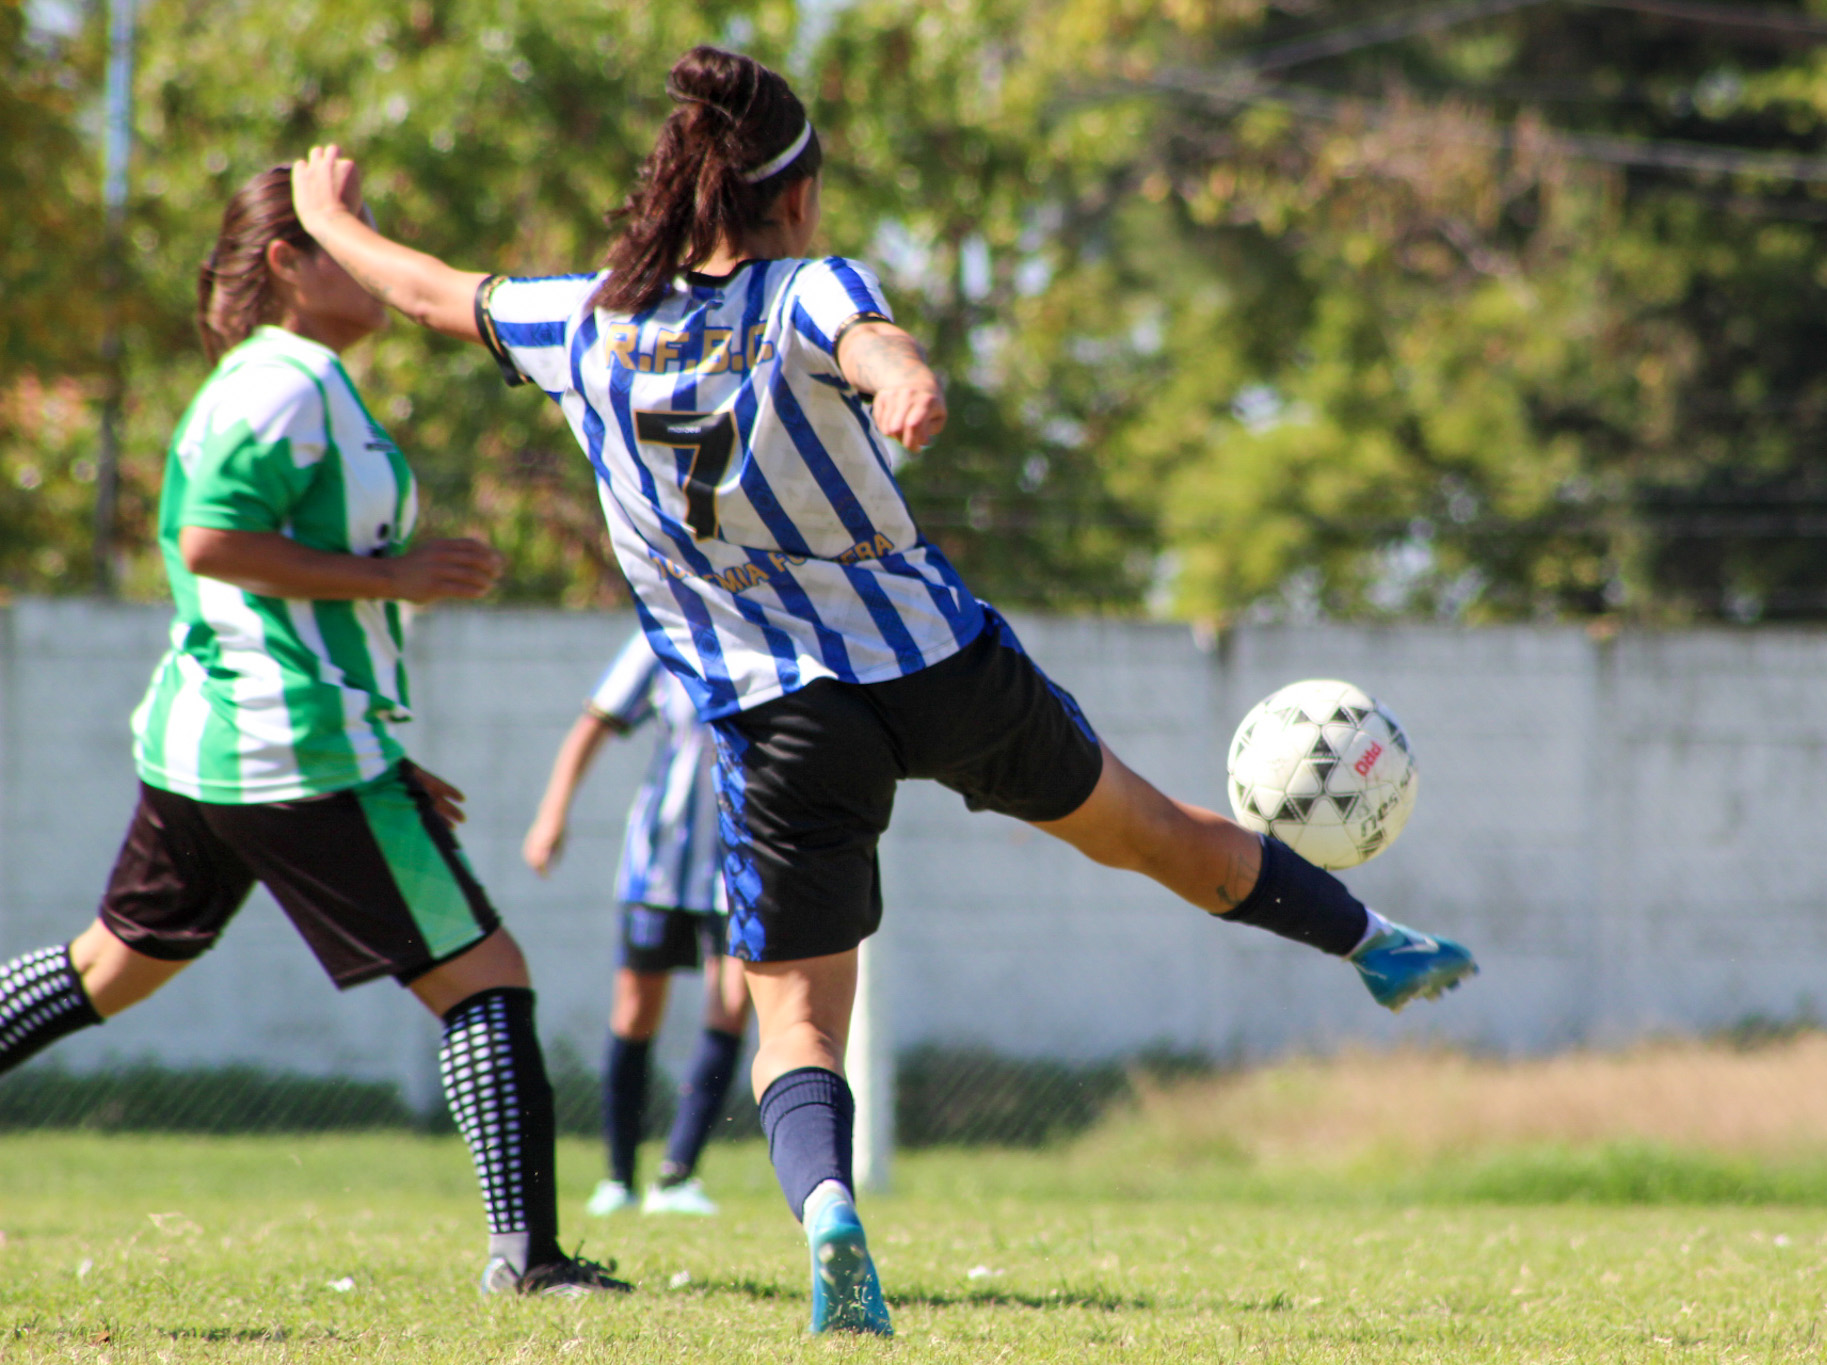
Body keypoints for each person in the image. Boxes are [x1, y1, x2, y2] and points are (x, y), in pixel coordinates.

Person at [288, 45, 1477, 1335]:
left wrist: (329, 223)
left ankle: (827, 1214)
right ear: (796, 196)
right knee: (1145, 830)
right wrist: (902, 378)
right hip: (938, 665)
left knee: (796, 1018)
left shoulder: (581, 324)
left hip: (777, 722)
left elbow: (430, 293)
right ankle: (1369, 940)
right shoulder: (809, 288)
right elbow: (867, 338)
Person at [0, 165, 628, 1299]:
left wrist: (382, 743)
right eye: (345, 233)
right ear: (286, 263)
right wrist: (394, 578)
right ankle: (528, 1263)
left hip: (220, 742)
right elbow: (210, 541)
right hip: (290, 746)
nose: (370, 253)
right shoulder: (283, 382)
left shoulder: (290, 379)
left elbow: (259, 590)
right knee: (482, 976)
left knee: (113, 966)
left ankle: (527, 1256)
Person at [523, 630, 751, 1218]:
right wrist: (552, 814)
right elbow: (593, 723)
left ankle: (677, 1176)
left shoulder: (771, 634)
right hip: (659, 864)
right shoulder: (663, 636)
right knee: (635, 1011)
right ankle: (618, 1178)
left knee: (733, 1005)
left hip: (743, 865)